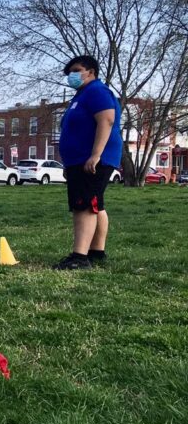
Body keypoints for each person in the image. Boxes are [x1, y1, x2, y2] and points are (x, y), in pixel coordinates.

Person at [55, 54, 122, 270]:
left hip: (92, 159)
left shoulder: (96, 91)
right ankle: (96, 252)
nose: (72, 76)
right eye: (69, 73)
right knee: (96, 203)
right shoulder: (81, 96)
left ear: (90, 71)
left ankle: (79, 257)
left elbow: (107, 119)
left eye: (76, 70)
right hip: (78, 161)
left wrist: (95, 155)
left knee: (84, 205)